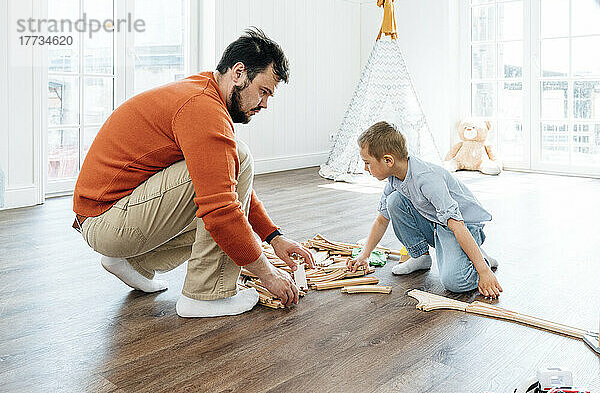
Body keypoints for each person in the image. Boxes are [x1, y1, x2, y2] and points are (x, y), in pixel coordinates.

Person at [72, 28, 314, 318]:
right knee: (235, 169)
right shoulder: (202, 108)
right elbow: (222, 206)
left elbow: (225, 178)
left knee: (228, 170)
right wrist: (267, 272)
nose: (264, 104)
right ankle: (206, 296)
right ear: (238, 73)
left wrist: (273, 237)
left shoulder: (202, 92)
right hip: (107, 220)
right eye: (263, 91)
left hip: (105, 217)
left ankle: (134, 262)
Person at [346, 121, 502, 299]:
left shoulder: (427, 179)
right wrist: (364, 256)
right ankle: (420, 257)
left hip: (463, 226)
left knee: (455, 283)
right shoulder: (394, 178)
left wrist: (483, 271)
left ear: (388, 160)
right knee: (394, 201)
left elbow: (457, 226)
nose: (365, 168)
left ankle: (481, 261)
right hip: (436, 222)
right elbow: (382, 219)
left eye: (367, 163)